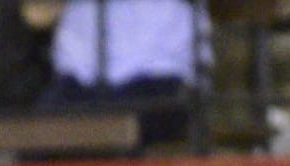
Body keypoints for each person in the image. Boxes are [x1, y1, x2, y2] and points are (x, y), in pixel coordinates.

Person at [38, 0, 212, 147]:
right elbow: (37, 13)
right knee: (38, 134)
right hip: (80, 79)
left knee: (116, 135)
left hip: (159, 74)